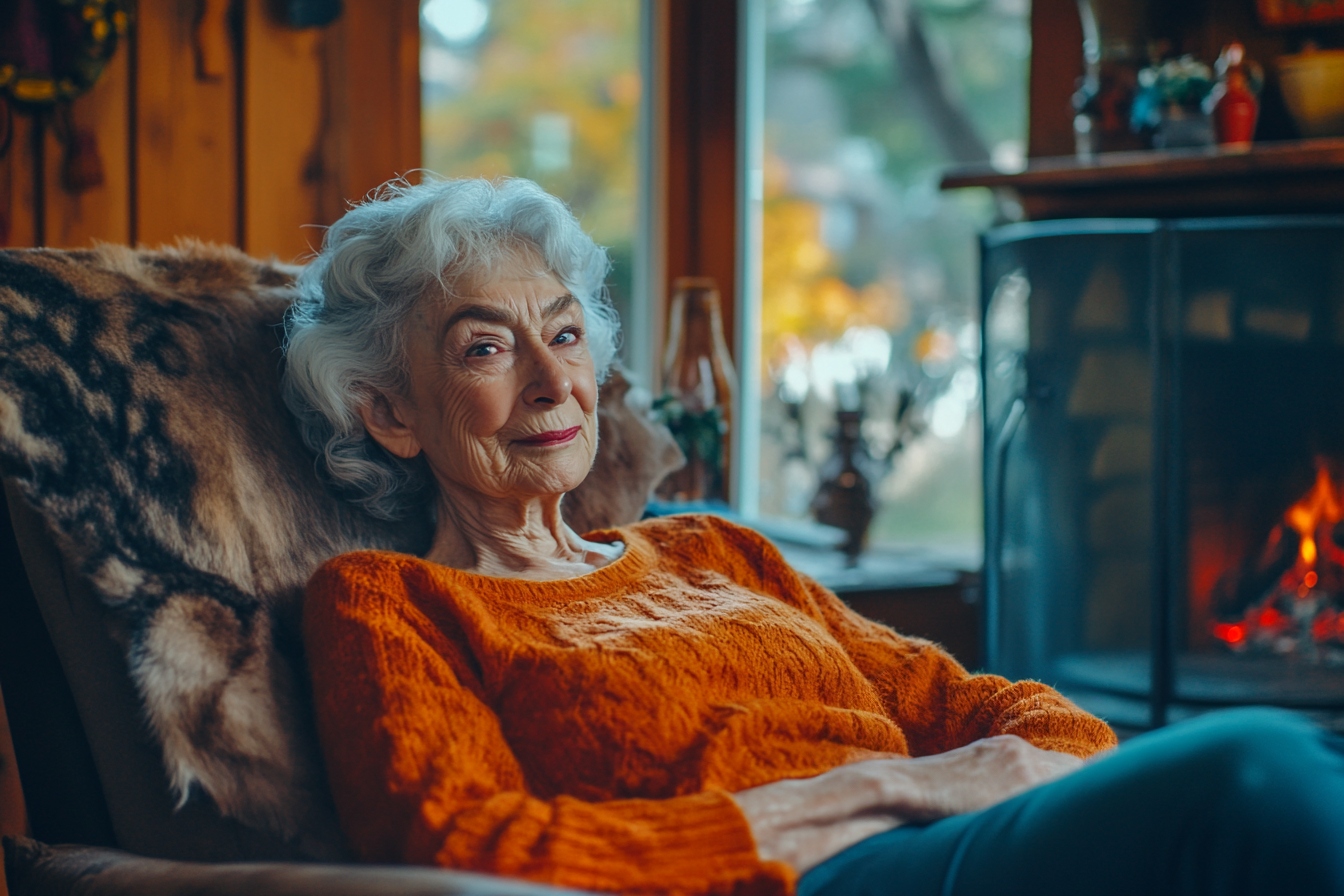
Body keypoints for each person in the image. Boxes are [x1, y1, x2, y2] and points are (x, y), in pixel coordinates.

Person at [283, 176, 1344, 896]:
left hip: (947, 845)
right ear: (392, 411)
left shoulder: (712, 550)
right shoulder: (386, 599)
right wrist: (876, 788)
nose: (557, 381)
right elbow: (472, 850)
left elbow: (1010, 713)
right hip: (818, 881)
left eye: (565, 332)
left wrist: (960, 778)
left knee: (1272, 764)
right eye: (485, 348)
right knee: (1251, 768)